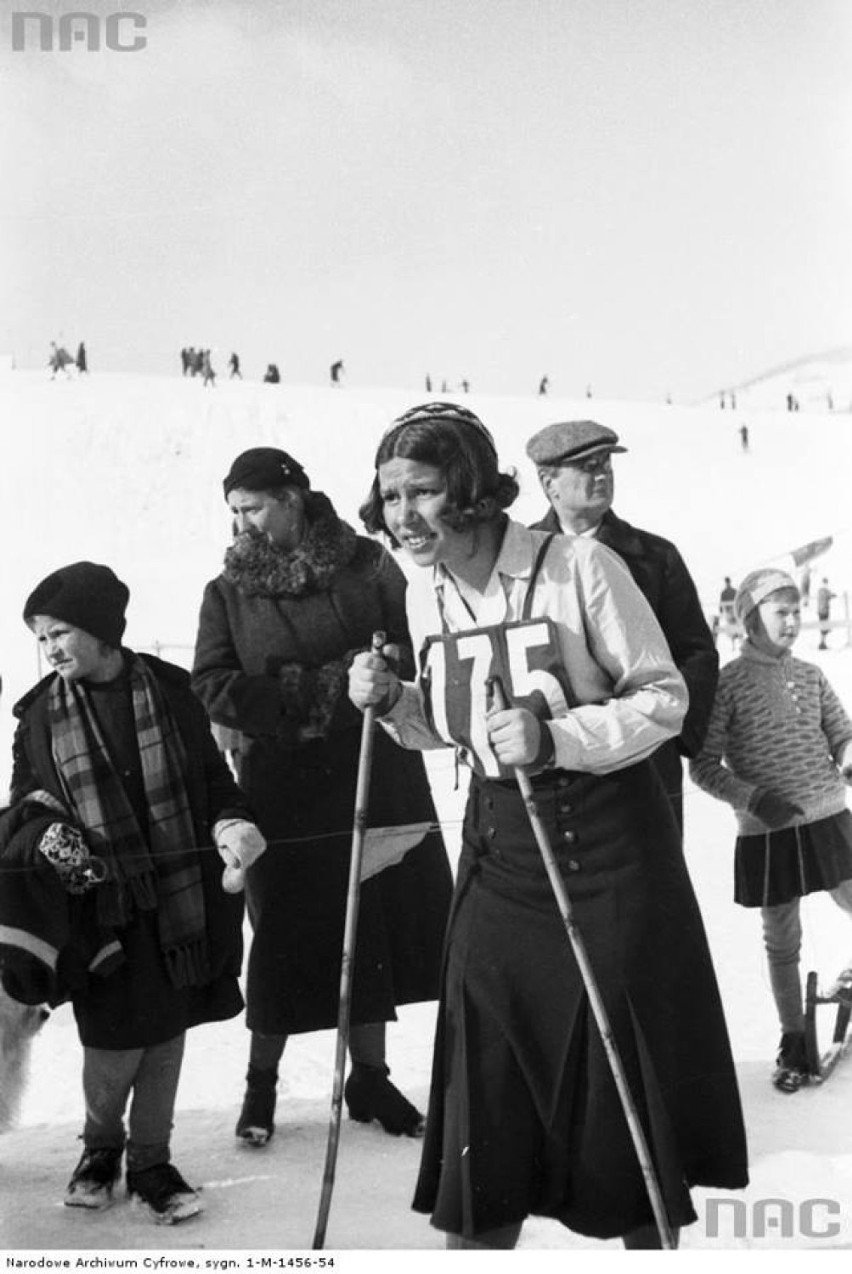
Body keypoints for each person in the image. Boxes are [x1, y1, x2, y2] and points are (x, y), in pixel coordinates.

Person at [349, 401, 748, 1250]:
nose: (404, 515)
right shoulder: (430, 591)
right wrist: (397, 707)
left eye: (422, 492)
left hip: (605, 855)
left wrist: (557, 738)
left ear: (470, 491)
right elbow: (463, 727)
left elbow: (663, 697)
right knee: (486, 1095)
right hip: (499, 858)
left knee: (623, 1103)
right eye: (392, 497)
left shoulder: (579, 566)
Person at [191, 447, 453, 1149]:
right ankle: (261, 1086)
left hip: (377, 770)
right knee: (285, 939)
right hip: (285, 784)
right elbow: (212, 684)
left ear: (294, 497)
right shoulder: (228, 591)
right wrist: (319, 690)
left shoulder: (366, 564)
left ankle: (368, 1076)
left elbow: (416, 644)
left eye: (253, 506)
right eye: (235, 512)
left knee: (374, 929)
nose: (242, 523)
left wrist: (379, 674)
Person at [2, 562, 263, 1223]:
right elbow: (21, 808)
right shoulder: (37, 719)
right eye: (42, 637)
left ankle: (151, 1159)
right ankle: (99, 1150)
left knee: (167, 1033)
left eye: (60, 632)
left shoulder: (173, 695)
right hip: (98, 909)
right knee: (112, 1037)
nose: (51, 648)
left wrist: (233, 823)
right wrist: (47, 837)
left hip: (182, 900)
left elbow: (214, 780)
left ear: (100, 627)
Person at [689, 569, 852, 1092]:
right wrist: (755, 799)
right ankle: (793, 1035)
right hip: (769, 830)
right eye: (781, 612)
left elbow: (842, 732)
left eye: (796, 611)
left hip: (828, 817)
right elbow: (704, 766)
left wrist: (849, 756)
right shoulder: (729, 682)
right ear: (749, 620)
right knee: (782, 937)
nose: (792, 621)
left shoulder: (810, 674)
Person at [526, 420, 718, 832]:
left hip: (642, 755)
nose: (602, 474)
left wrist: (670, 734)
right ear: (549, 483)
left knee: (651, 881)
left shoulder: (655, 556)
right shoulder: (521, 556)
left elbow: (696, 652)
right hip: (554, 754)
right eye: (587, 466)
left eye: (606, 465)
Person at [719, 575, 740, 651]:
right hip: (729, 612)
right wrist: (721, 610)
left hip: (734, 611)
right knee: (731, 627)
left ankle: (738, 643)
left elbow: (738, 600)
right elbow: (721, 603)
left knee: (737, 626)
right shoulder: (724, 593)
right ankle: (733, 645)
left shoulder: (734, 591)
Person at [817, 577, 836, 650]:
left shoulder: (819, 590)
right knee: (824, 628)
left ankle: (822, 642)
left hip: (820, 611)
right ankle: (822, 643)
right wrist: (833, 595)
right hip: (825, 610)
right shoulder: (826, 591)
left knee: (823, 627)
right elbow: (830, 596)